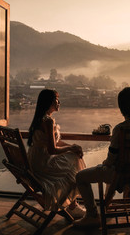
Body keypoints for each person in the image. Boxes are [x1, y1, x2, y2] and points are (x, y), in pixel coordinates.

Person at [73, 87, 130, 227]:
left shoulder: (120, 129)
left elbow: (111, 158)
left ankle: (92, 215)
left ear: (121, 107)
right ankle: (106, 207)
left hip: (119, 175)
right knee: (110, 169)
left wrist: (104, 163)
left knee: (80, 177)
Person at [27, 89, 86, 218]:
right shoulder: (48, 121)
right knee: (75, 160)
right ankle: (72, 206)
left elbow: (54, 143)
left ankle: (72, 204)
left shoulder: (40, 119)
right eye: (56, 100)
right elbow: (52, 150)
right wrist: (72, 150)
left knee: (73, 157)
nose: (59, 102)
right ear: (49, 102)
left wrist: (72, 146)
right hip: (43, 165)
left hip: (35, 161)